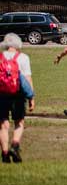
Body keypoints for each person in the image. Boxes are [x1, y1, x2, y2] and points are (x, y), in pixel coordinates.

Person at [1, 33, 33, 163]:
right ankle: (15, 145)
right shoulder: (23, 58)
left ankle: (4, 153)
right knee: (19, 123)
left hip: (1, 94)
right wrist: (31, 97)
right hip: (18, 94)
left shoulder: (0, 58)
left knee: (3, 125)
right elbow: (27, 79)